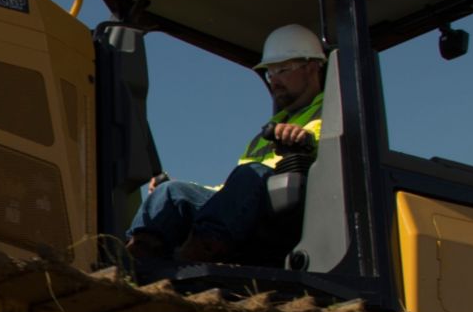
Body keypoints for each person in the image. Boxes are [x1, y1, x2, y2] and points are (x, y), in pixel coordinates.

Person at [126, 24, 327, 267]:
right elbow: (229, 189)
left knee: (253, 173)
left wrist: (302, 138)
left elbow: (331, 146)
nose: (275, 81)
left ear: (313, 67)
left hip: (286, 212)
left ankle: (199, 253)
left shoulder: (330, 110)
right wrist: (186, 188)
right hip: (249, 202)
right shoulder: (266, 132)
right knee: (171, 193)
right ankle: (134, 262)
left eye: (282, 69)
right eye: (270, 74)